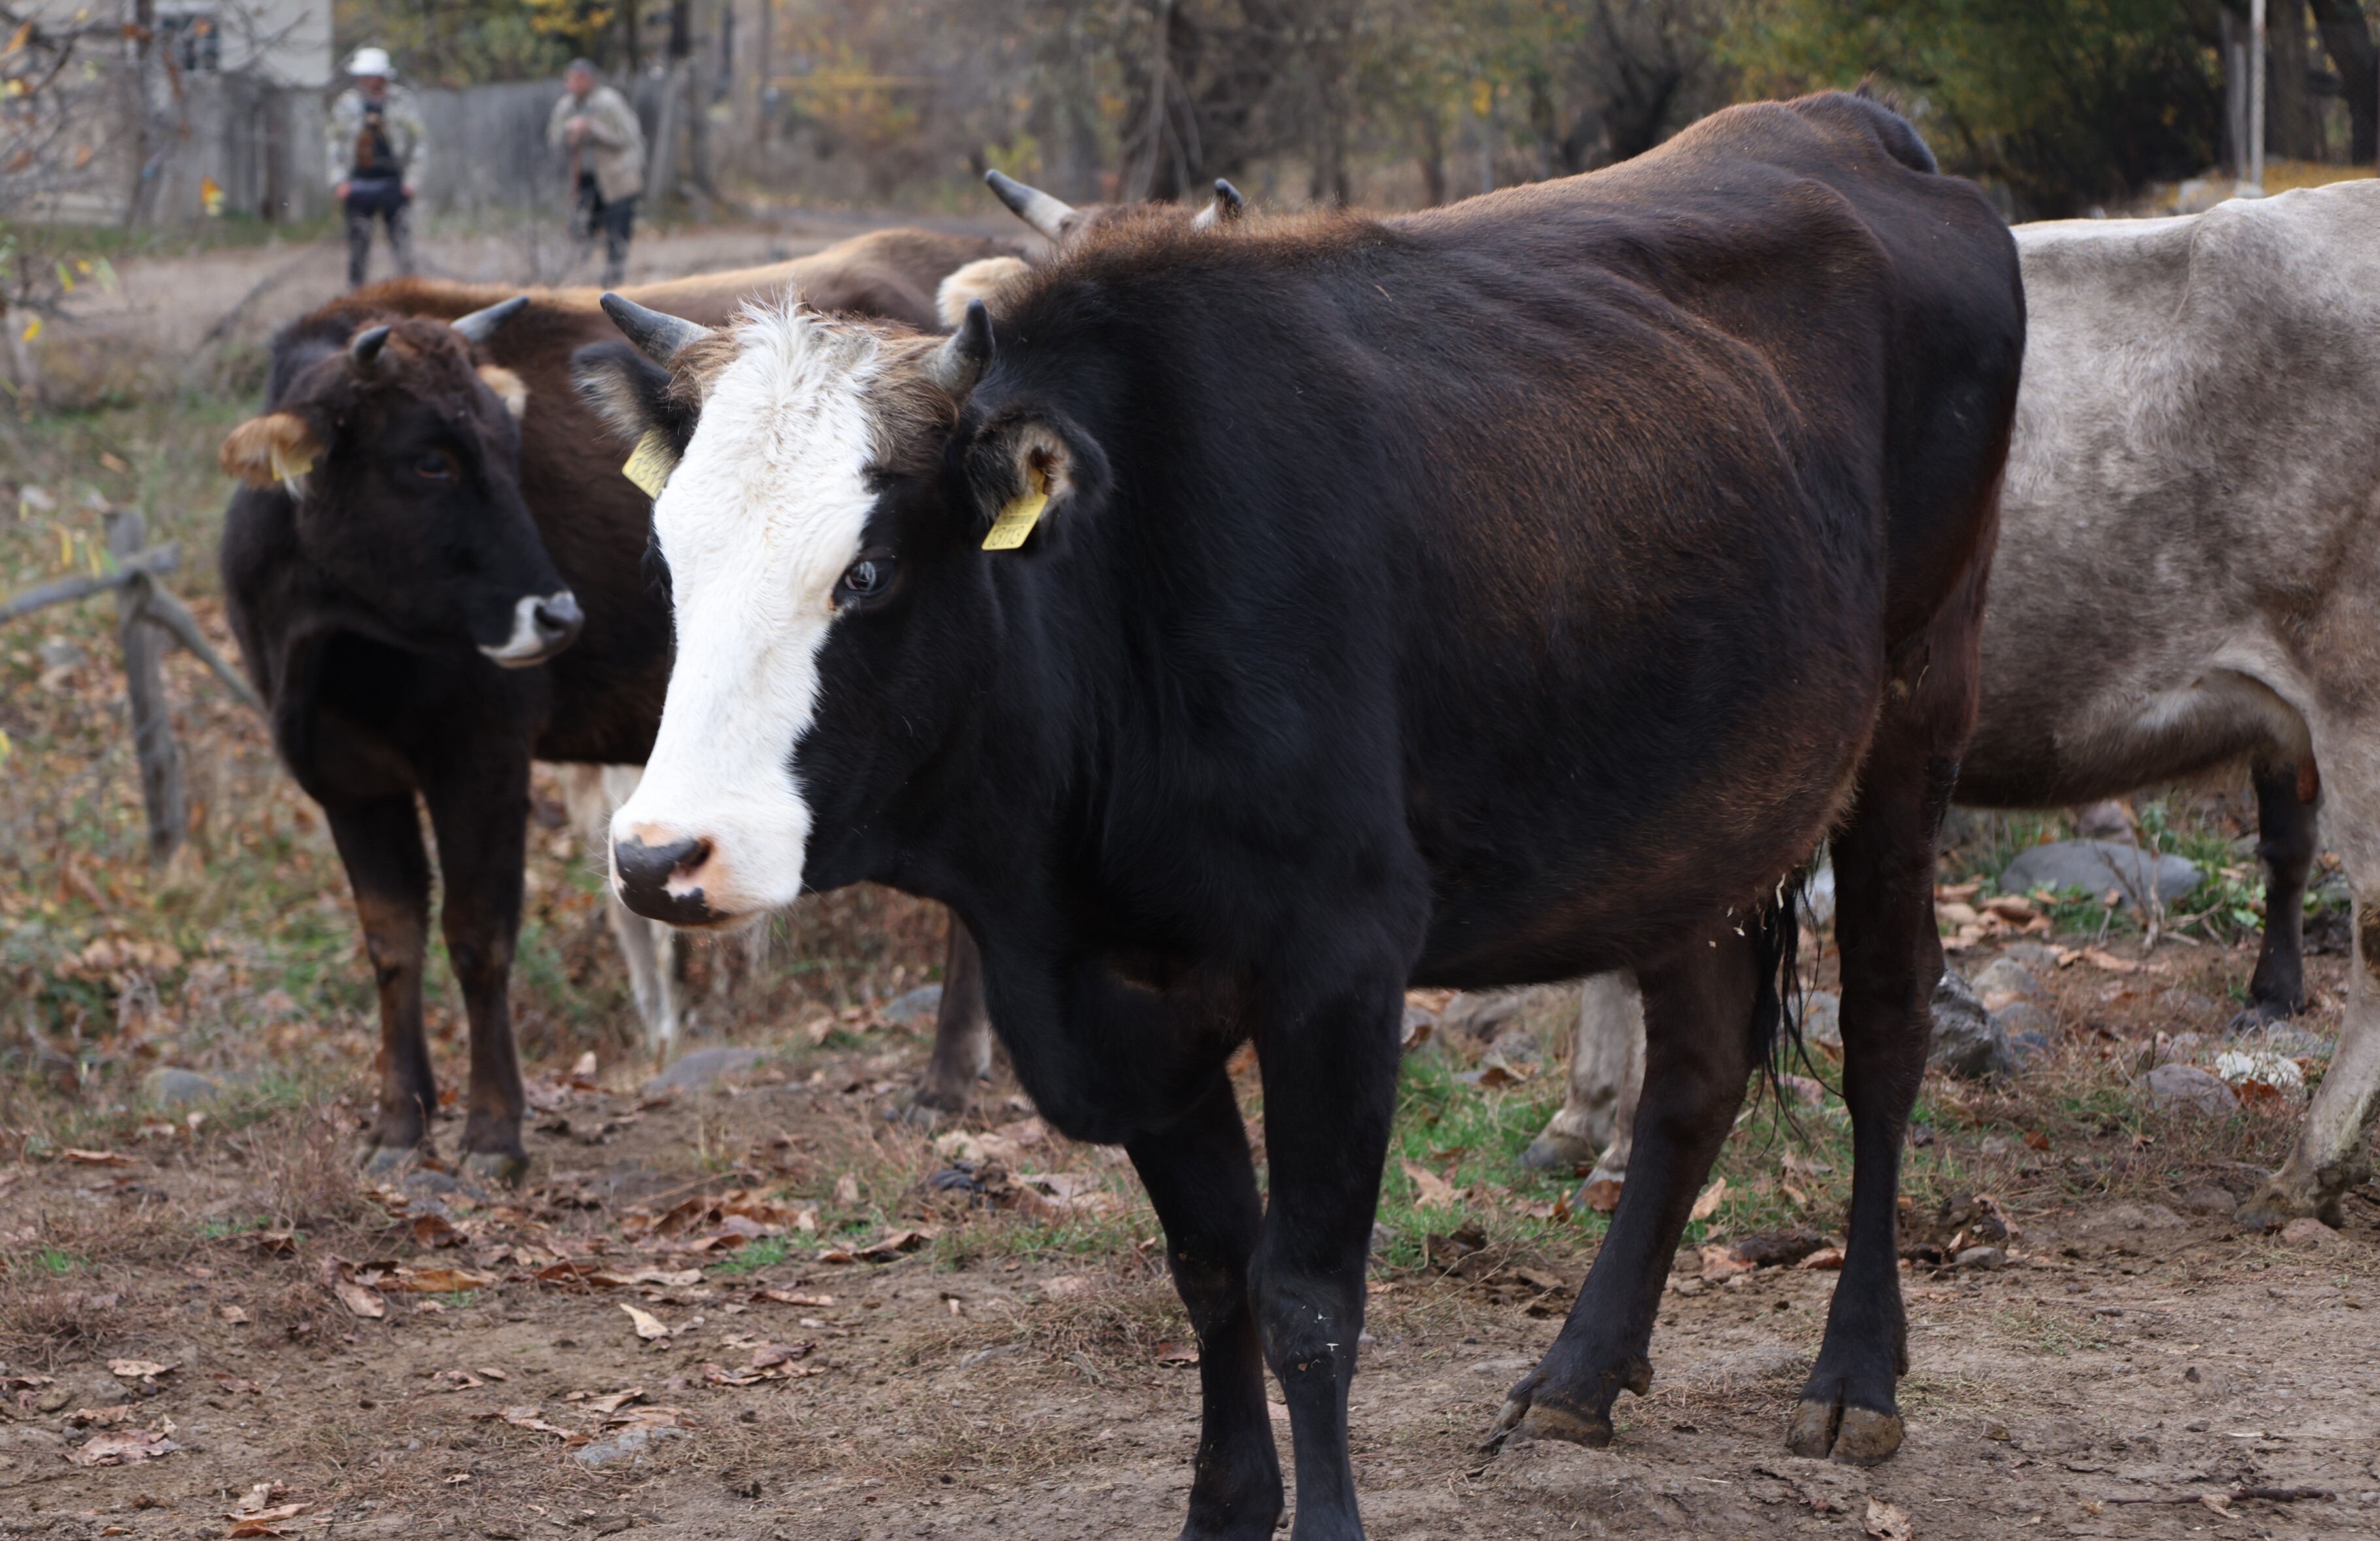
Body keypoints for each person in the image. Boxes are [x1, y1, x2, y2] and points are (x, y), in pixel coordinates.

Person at [326, 46, 426, 290]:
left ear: (381, 77)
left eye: (369, 75)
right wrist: (340, 181)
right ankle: (355, 294)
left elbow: (419, 144)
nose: (365, 81)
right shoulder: (346, 105)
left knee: (402, 246)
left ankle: (411, 292)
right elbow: (333, 145)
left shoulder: (402, 102)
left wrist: (412, 182)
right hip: (358, 186)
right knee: (358, 249)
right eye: (362, 76)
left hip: (394, 184)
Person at [548, 60, 646, 286]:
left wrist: (592, 128)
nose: (570, 84)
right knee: (581, 232)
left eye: (575, 79)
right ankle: (579, 280)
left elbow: (628, 137)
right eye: (568, 79)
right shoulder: (567, 107)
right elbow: (554, 137)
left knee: (617, 235)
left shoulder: (609, 103)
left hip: (617, 181)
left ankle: (615, 284)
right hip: (586, 181)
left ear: (588, 80)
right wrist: (569, 133)